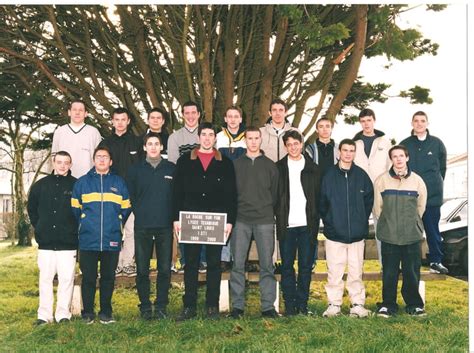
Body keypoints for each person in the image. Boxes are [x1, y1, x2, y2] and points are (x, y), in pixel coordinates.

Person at [172, 122, 236, 320]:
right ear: (198, 138)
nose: (207, 138)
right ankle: (189, 306)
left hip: (216, 221)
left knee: (214, 264)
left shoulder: (225, 162)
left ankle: (212, 306)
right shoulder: (184, 161)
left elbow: (232, 195)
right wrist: (176, 218)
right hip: (190, 219)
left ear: (215, 138)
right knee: (190, 264)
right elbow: (176, 192)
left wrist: (229, 221)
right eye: (204, 134)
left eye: (211, 134)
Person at [71, 146, 131, 324]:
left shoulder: (119, 183)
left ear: (111, 162)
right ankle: (87, 312)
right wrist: (85, 223)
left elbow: (126, 207)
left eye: (105, 157)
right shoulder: (82, 183)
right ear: (94, 160)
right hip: (88, 240)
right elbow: (75, 208)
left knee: (107, 278)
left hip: (111, 239)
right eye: (98, 157)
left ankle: (106, 312)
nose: (102, 160)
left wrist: (117, 222)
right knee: (88, 278)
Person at [229, 127, 280, 319]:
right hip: (241, 220)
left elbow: (274, 194)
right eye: (249, 138)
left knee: (267, 265)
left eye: (256, 138)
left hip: (265, 220)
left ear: (261, 140)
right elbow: (231, 193)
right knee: (238, 265)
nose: (253, 141)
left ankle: (268, 307)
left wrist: (266, 210)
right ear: (245, 141)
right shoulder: (236, 165)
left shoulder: (270, 165)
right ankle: (237, 307)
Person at [320, 139, 373, 318]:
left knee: (356, 271)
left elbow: (368, 202)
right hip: (335, 234)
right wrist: (330, 221)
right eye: (345, 150)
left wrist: (360, 221)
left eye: (352, 150)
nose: (348, 153)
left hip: (357, 235)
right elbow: (322, 203)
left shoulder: (362, 176)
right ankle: (334, 305)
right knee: (334, 271)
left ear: (354, 153)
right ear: (339, 153)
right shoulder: (328, 176)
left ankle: (357, 304)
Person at [373, 145, 428, 317]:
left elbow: (421, 207)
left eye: (401, 156)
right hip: (389, 235)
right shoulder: (382, 181)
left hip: (411, 235)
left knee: (411, 271)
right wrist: (389, 224)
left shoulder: (418, 181)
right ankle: (388, 305)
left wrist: (410, 223)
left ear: (407, 158)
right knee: (389, 272)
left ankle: (414, 304)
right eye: (394, 156)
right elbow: (377, 208)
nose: (398, 159)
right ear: (391, 159)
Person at [127, 133, 175, 320]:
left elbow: (176, 195)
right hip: (143, 226)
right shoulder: (135, 170)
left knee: (164, 269)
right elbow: (130, 196)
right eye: (150, 144)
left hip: (164, 226)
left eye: (157, 144)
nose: (153, 147)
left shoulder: (171, 168)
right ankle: (145, 306)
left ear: (161, 147)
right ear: (144, 147)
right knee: (142, 269)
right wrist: (140, 210)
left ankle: (161, 305)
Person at [27, 151, 78, 326]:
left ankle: (63, 315)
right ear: (53, 163)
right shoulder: (40, 186)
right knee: (45, 279)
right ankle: (44, 315)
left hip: (68, 243)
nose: (62, 166)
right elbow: (32, 209)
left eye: (66, 163)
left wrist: (73, 231)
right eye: (59, 162)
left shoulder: (76, 185)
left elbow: (81, 212)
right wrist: (40, 226)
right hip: (46, 243)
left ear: (70, 165)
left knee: (66, 279)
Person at [275, 130, 321, 316]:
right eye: (289, 144)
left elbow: (318, 197)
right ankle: (290, 305)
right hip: (287, 225)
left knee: (305, 266)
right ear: (285, 146)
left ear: (301, 144)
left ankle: (302, 304)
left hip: (307, 225)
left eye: (296, 143)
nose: (293, 147)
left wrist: (315, 217)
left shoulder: (313, 168)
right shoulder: (278, 168)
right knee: (286, 266)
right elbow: (274, 196)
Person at [401, 111, 448, 274]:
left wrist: (433, 185)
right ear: (412, 123)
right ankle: (406, 262)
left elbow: (442, 169)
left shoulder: (437, 143)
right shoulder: (405, 144)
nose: (419, 123)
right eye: (416, 121)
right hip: (409, 196)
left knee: (432, 230)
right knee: (407, 231)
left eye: (422, 121)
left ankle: (436, 261)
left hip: (432, 197)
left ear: (427, 123)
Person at [99, 107, 142, 277]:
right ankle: (115, 264)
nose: (120, 123)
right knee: (114, 231)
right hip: (111, 195)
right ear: (112, 121)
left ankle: (128, 263)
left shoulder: (137, 142)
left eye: (123, 119)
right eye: (117, 119)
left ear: (128, 121)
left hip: (132, 195)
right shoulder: (105, 143)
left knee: (131, 230)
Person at [167, 101, 204, 272]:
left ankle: (202, 260)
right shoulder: (175, 137)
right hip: (184, 188)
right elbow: (174, 166)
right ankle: (185, 260)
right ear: (182, 115)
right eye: (187, 113)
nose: (190, 116)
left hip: (204, 188)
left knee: (204, 224)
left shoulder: (206, 134)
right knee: (185, 224)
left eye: (193, 112)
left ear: (198, 114)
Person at [353, 108, 391, 266]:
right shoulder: (355, 143)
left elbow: (390, 167)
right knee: (357, 232)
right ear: (360, 123)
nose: (366, 124)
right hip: (359, 193)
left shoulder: (384, 141)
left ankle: (385, 266)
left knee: (382, 231)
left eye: (369, 120)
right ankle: (357, 268)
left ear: (374, 120)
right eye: (363, 121)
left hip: (380, 193)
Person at [215, 105, 247, 271]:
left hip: (243, 186)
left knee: (241, 222)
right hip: (222, 186)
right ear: (225, 119)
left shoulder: (247, 138)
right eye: (230, 116)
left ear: (241, 119)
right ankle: (224, 258)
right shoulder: (218, 138)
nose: (233, 119)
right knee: (224, 221)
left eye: (236, 116)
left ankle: (240, 259)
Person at [52, 99, 102, 178]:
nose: (77, 113)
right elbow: (54, 156)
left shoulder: (94, 132)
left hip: (87, 179)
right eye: (74, 110)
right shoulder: (60, 131)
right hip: (64, 178)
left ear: (86, 114)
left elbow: (99, 157)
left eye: (81, 110)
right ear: (69, 112)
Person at [260, 98, 297, 162]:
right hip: (266, 171)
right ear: (270, 113)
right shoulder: (260, 132)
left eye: (281, 110)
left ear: (286, 113)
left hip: (288, 171)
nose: (277, 113)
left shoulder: (296, 132)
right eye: (274, 110)